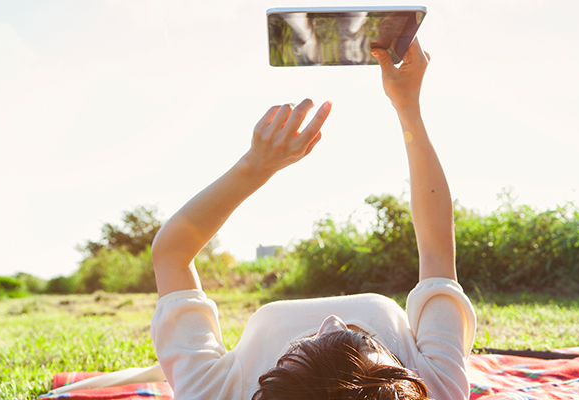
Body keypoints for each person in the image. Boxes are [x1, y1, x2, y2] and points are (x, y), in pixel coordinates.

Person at [149, 38, 477, 400]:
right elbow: (437, 255)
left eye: (302, 349)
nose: (332, 320)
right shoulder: (431, 389)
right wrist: (408, 106)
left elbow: (172, 253)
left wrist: (255, 167)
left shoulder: (214, 394)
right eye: (363, 339)